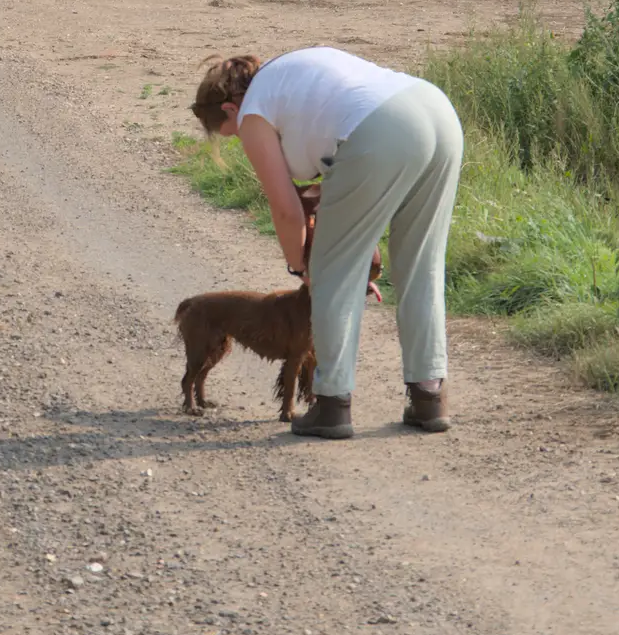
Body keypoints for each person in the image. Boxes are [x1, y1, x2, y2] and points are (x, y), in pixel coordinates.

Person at [191, 47, 463, 438]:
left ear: (230, 111)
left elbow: (286, 211)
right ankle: (429, 397)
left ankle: (332, 405)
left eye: (229, 134)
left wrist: (302, 268)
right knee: (422, 264)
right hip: (436, 110)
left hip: (381, 128)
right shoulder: (286, 77)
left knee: (333, 273)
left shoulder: (252, 114)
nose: (238, 139)